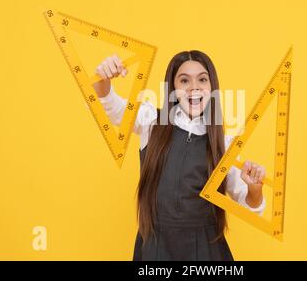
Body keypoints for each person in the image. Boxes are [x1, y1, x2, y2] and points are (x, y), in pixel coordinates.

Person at [93, 50, 266, 261]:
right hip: (155, 250)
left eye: (202, 79)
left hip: (207, 253)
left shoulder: (223, 143)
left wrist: (254, 189)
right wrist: (103, 78)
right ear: (172, 88)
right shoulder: (152, 121)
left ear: (212, 88)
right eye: (184, 80)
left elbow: (250, 208)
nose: (194, 87)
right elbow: (110, 106)